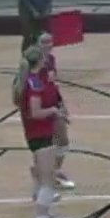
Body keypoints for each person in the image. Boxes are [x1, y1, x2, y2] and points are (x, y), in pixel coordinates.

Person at [14, 46, 72, 218]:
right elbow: (36, 112)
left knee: (43, 179)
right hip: (40, 136)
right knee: (48, 182)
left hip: (39, 135)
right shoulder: (34, 83)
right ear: (40, 60)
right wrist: (54, 111)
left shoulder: (30, 80)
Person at [33, 33, 75, 192]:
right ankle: (42, 182)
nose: (47, 45)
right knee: (44, 146)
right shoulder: (32, 63)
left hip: (53, 104)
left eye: (49, 41)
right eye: (43, 42)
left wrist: (61, 105)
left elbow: (53, 85)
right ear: (37, 44)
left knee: (62, 141)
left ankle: (55, 172)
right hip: (40, 107)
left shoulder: (51, 60)